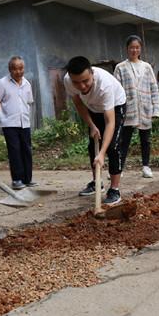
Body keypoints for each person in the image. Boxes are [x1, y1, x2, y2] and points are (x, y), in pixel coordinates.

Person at [63, 56, 126, 205]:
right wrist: (91, 125)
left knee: (112, 147)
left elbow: (110, 122)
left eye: (86, 81)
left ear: (92, 73)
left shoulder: (104, 85)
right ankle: (97, 182)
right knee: (92, 145)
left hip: (115, 106)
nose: (82, 86)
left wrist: (102, 153)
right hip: (92, 108)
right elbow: (78, 104)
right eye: (77, 82)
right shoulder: (68, 80)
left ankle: (115, 189)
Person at [114, 35, 159, 178]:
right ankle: (119, 168)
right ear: (127, 49)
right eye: (131, 47)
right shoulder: (120, 67)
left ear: (140, 49)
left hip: (145, 108)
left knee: (145, 139)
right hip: (128, 109)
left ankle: (146, 166)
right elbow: (115, 90)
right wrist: (117, 111)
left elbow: (154, 88)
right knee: (124, 140)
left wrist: (155, 109)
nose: (134, 50)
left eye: (137, 47)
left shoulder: (147, 67)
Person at [0, 56, 36, 190]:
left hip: (24, 123)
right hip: (10, 124)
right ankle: (16, 179)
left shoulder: (27, 84)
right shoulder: (3, 83)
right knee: (15, 151)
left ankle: (27, 179)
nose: (18, 71)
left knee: (26, 150)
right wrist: (5, 115)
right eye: (15, 69)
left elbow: (28, 102)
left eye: (21, 68)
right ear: (10, 70)